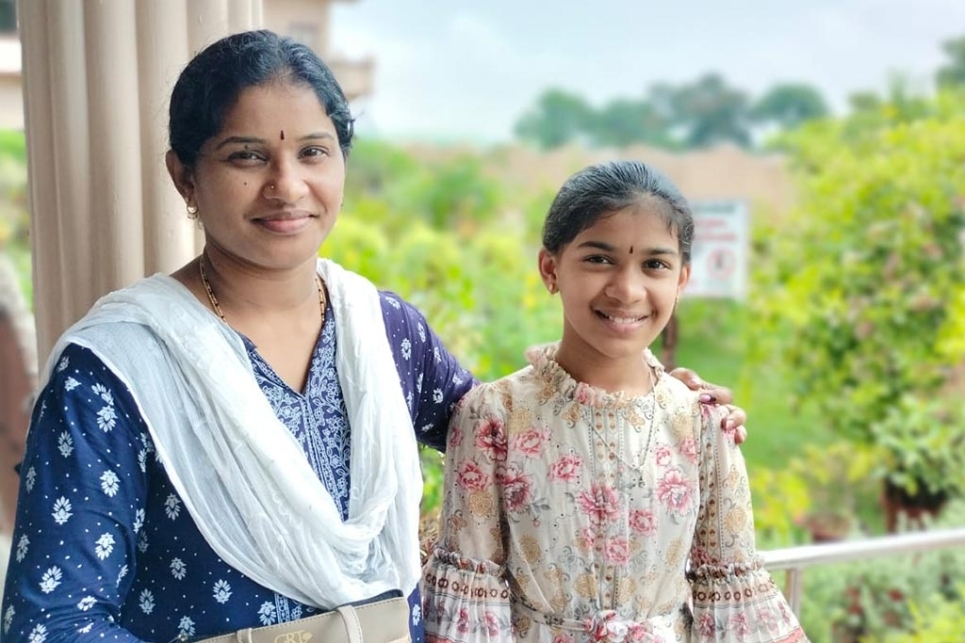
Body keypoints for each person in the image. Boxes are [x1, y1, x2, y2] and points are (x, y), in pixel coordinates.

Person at [0, 31, 746, 643]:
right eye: (246, 155)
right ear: (184, 176)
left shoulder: (383, 331)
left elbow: (523, 442)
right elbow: (52, 623)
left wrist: (646, 400)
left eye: (313, 152)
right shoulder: (116, 370)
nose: (287, 185)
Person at [421, 161, 807, 642]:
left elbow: (731, 593)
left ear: (681, 280)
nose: (627, 290)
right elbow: (473, 608)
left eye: (655, 265)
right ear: (551, 269)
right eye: (599, 259)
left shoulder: (704, 425)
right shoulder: (493, 417)